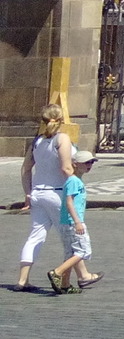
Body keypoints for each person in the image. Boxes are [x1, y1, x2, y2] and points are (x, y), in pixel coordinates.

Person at [13, 103, 73, 291]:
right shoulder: (62, 138)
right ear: (61, 120)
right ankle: (64, 280)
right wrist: (77, 187)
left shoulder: (37, 141)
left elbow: (25, 168)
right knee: (69, 238)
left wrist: (27, 193)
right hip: (57, 193)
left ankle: (22, 280)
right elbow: (66, 168)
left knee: (35, 236)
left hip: (38, 193)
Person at [46, 147, 99, 293]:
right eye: (86, 162)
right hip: (73, 222)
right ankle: (57, 272)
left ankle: (65, 284)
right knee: (83, 251)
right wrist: (77, 222)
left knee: (70, 253)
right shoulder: (73, 181)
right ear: (75, 164)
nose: (89, 165)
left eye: (91, 162)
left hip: (67, 221)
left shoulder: (75, 180)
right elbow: (69, 202)